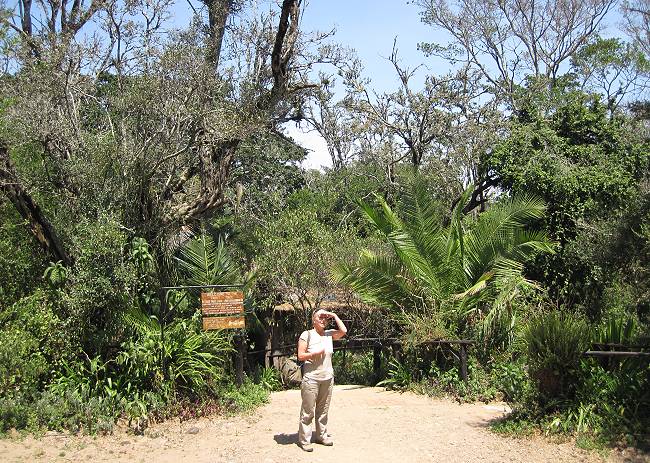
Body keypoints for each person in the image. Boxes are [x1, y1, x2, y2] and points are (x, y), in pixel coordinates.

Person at [296, 309, 347, 452]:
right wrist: (314, 353)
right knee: (308, 411)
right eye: (320, 317)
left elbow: (343, 330)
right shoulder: (307, 334)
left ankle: (321, 436)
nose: (323, 320)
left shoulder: (329, 334)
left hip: (327, 378)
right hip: (311, 378)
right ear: (313, 320)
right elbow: (300, 355)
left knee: (323, 410)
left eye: (326, 318)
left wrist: (335, 315)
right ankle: (305, 440)